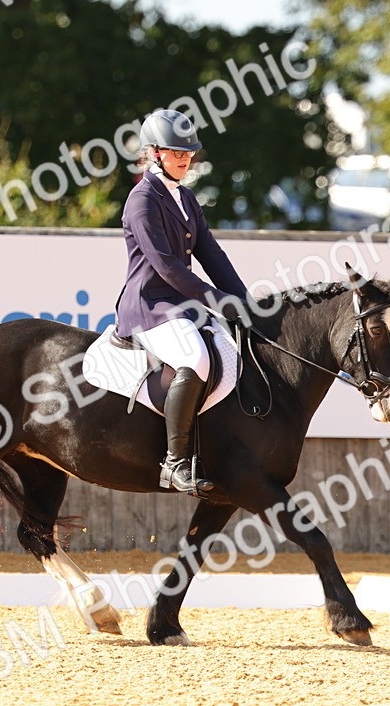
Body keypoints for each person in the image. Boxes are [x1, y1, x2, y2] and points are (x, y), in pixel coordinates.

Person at [114, 108, 251, 495]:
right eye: (176, 152)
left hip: (181, 304)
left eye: (189, 152)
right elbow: (169, 268)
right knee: (196, 358)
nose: (185, 158)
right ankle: (174, 463)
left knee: (231, 348)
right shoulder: (142, 201)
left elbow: (211, 254)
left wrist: (244, 301)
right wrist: (219, 300)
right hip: (148, 307)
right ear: (154, 153)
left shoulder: (186, 197)